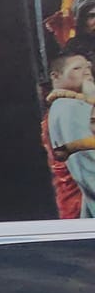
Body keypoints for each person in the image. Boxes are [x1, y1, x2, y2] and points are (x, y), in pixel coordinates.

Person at [46, 52, 95, 218]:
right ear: (56, 76)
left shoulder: (73, 103)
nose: (86, 71)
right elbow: (88, 163)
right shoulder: (70, 108)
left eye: (88, 67)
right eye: (77, 68)